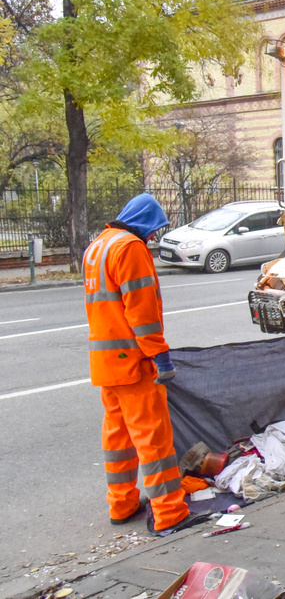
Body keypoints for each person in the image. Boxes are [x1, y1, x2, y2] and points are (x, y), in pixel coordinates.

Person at [85, 194, 207, 537]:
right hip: (133, 362)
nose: (153, 238)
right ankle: (169, 513)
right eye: (152, 231)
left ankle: (121, 504)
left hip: (105, 361)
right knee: (153, 438)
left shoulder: (98, 246)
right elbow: (141, 310)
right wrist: (158, 354)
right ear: (142, 223)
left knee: (118, 437)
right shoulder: (130, 248)